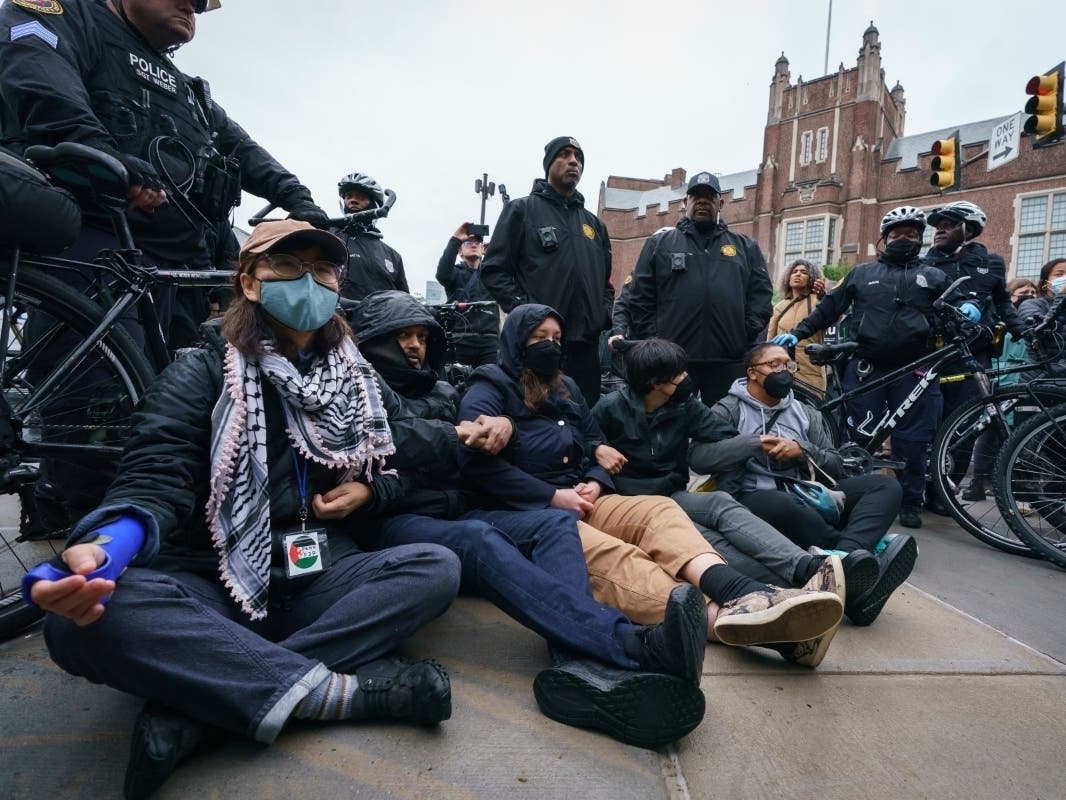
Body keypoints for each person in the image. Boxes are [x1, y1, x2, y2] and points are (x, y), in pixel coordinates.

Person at [20, 221, 474, 798]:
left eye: (322, 270)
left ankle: (203, 704)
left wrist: (452, 444)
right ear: (250, 283)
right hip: (211, 578)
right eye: (287, 267)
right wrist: (111, 544)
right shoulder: (204, 369)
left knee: (435, 568)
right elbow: (156, 470)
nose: (308, 282)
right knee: (78, 622)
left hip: (317, 575)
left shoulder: (357, 379)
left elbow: (405, 439)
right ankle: (341, 695)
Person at [0, 0, 332, 527]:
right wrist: (101, 153)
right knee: (102, 406)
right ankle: (98, 537)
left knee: (184, 403)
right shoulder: (66, 15)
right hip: (97, 242)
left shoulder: (189, 90)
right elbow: (37, 74)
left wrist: (299, 199)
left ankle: (167, 525)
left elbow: (242, 149)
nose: (192, 6)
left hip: (179, 264)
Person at [350, 290, 709, 748]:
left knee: (555, 525)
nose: (415, 346)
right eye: (403, 336)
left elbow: (503, 441)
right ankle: (632, 645)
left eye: (422, 336)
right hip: (401, 518)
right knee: (478, 539)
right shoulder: (359, 393)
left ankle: (576, 670)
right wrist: (487, 433)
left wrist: (511, 432)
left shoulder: (441, 389)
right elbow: (399, 447)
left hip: (459, 506)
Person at [457, 304, 843, 657]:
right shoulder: (490, 386)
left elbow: (594, 440)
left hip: (586, 497)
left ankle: (744, 592)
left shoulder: (566, 387)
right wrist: (551, 495)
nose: (551, 346)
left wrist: (595, 477)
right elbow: (474, 462)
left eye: (557, 338)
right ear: (516, 340)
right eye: (539, 337)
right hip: (526, 511)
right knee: (620, 556)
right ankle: (760, 628)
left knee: (661, 510)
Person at [592, 338, 865, 667]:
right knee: (704, 539)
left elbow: (723, 435)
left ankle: (809, 567)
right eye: (679, 374)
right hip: (628, 504)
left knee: (719, 503)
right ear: (656, 382)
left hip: (673, 494)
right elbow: (584, 443)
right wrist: (598, 450)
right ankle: (791, 590)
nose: (686, 378)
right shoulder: (610, 408)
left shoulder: (685, 406)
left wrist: (754, 444)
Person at [692, 342, 916, 627]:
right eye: (773, 365)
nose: (783, 371)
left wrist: (802, 450)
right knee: (782, 504)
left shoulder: (805, 412)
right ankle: (864, 560)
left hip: (809, 493)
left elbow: (836, 464)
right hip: (753, 496)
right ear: (752, 373)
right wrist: (753, 443)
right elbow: (698, 458)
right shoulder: (728, 409)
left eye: (788, 364)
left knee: (885, 486)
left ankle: (844, 558)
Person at [774, 206, 965, 529]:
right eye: (897, 234)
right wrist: (798, 333)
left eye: (911, 235)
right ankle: (859, 495)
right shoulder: (861, 273)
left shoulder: (934, 275)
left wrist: (969, 308)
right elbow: (829, 309)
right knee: (861, 437)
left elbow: (956, 304)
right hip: (867, 367)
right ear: (884, 239)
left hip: (916, 368)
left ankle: (910, 501)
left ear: (920, 239)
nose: (904, 239)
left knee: (914, 440)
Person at [480, 136, 613, 407]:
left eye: (579, 157)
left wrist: (602, 316)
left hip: (585, 347)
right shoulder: (521, 210)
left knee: (584, 416)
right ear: (549, 164)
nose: (573, 161)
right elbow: (494, 270)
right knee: (537, 416)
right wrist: (526, 312)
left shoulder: (595, 225)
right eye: (565, 154)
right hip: (539, 345)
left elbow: (606, 283)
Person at [627, 171, 773, 407]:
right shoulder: (660, 244)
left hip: (728, 361)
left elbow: (761, 296)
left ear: (720, 203)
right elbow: (640, 297)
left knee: (725, 425)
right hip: (673, 362)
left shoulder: (745, 247)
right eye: (696, 196)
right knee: (670, 423)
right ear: (686, 202)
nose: (702, 201)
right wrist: (656, 341)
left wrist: (744, 333)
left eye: (709, 197)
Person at [920, 201, 1024, 514]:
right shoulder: (926, 262)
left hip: (974, 355)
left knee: (964, 426)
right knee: (926, 423)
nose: (940, 230)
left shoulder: (991, 263)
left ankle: (944, 493)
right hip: (934, 354)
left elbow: (1003, 303)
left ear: (969, 229)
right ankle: (917, 487)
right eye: (938, 226)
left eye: (949, 224)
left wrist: (1024, 331)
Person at [332, 172, 409, 301]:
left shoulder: (393, 256)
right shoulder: (329, 236)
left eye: (360, 197)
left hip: (381, 313)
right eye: (348, 196)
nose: (353, 200)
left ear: (374, 204)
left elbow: (404, 300)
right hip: (337, 312)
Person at [434, 223, 500, 367]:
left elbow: (509, 275)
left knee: (491, 378)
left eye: (477, 243)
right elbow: (442, 274)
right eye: (468, 242)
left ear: (483, 249)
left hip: (489, 343)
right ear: (460, 251)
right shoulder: (454, 274)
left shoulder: (491, 275)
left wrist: (495, 254)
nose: (473, 245)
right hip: (460, 341)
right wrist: (455, 240)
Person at [767, 259, 828, 393]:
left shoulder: (818, 300)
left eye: (804, 272)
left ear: (811, 278)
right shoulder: (779, 307)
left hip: (811, 370)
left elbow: (835, 316)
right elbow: (770, 340)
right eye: (794, 271)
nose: (798, 274)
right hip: (782, 370)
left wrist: (824, 297)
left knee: (811, 405)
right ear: (788, 277)